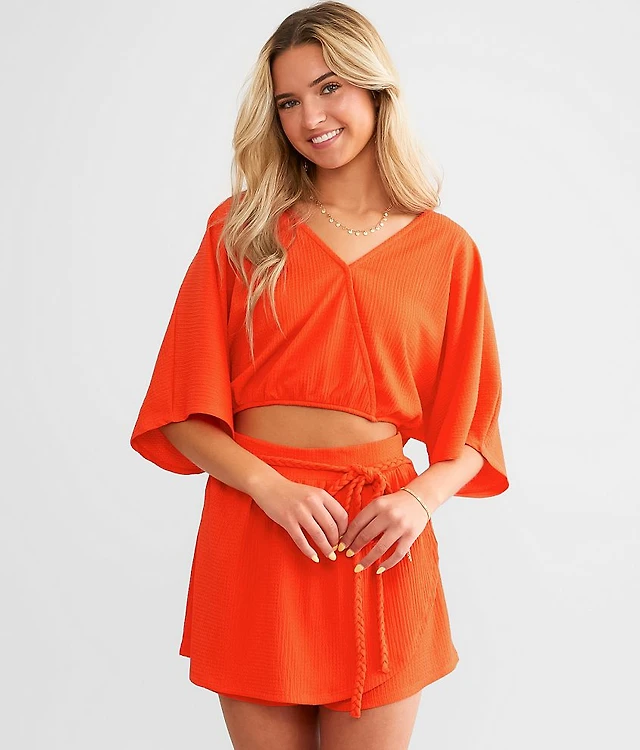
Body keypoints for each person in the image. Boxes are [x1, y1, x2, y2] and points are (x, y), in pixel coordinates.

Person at [129, 2, 509, 748]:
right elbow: (181, 407)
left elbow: (472, 431)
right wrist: (270, 488)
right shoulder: (240, 230)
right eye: (288, 101)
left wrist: (419, 501)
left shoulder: (446, 249)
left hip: (379, 538)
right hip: (258, 529)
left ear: (374, 88)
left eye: (329, 87)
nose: (310, 117)